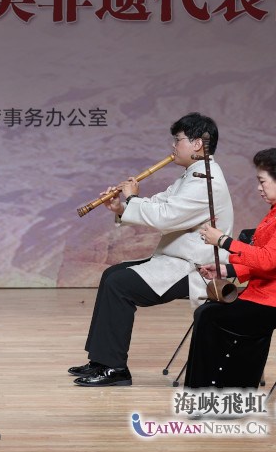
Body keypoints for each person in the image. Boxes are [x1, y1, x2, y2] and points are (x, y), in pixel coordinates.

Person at [70, 112, 234, 387]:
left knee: (120, 285)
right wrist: (122, 207)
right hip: (175, 260)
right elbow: (161, 203)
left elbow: (166, 217)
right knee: (112, 275)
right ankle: (101, 359)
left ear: (196, 144)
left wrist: (132, 196)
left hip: (196, 267)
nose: (173, 146)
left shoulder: (207, 181)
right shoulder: (192, 175)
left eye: (178, 139)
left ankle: (115, 368)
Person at [185, 148, 276, 389]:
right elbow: (265, 261)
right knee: (209, 313)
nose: (259, 187)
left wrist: (224, 241)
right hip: (270, 296)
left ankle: (211, 392)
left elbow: (268, 260)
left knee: (211, 316)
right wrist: (228, 271)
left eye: (262, 181)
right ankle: (216, 392)